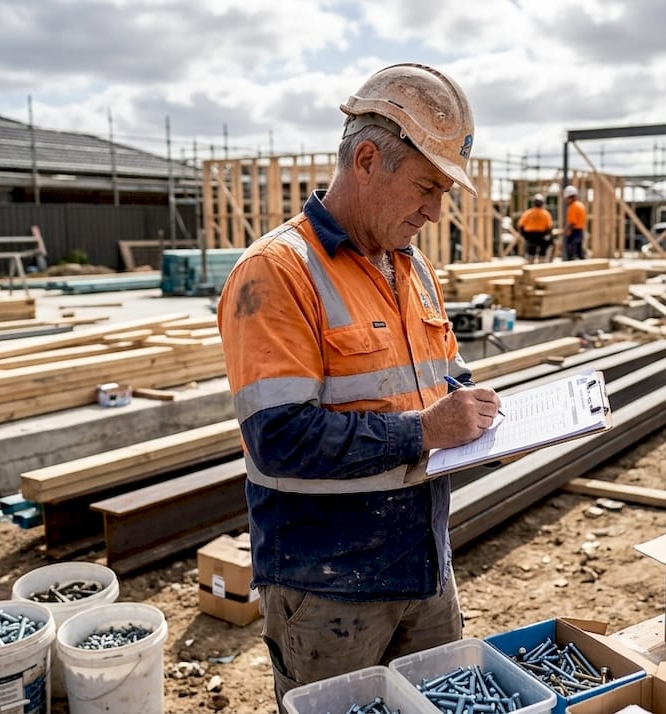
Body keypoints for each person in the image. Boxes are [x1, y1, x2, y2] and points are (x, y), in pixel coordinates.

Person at [215, 63, 502, 712]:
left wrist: (485, 418)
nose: (435, 211)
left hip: (424, 564)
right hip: (328, 585)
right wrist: (425, 431)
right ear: (367, 160)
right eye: (426, 187)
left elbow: (447, 378)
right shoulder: (277, 271)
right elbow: (279, 438)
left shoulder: (412, 266)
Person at [517, 193, 554, 264]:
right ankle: (540, 263)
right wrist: (548, 235)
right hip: (541, 235)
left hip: (531, 236)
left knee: (531, 252)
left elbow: (520, 225)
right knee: (542, 252)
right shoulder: (545, 213)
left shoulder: (528, 213)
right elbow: (550, 227)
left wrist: (524, 235)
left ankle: (530, 263)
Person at [562, 184, 587, 260]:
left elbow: (572, 222)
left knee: (571, 254)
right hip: (580, 231)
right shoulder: (580, 205)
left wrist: (566, 231)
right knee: (579, 252)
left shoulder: (573, 206)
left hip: (574, 232)